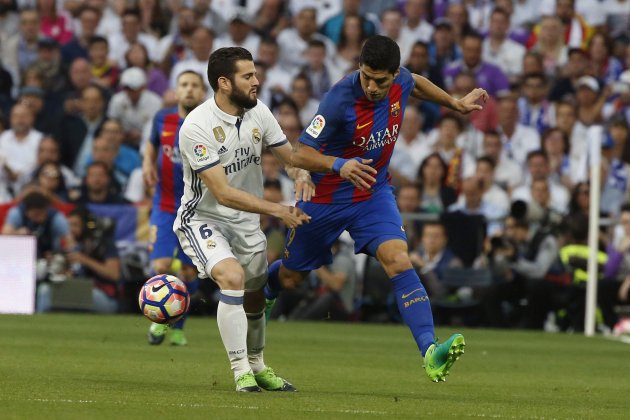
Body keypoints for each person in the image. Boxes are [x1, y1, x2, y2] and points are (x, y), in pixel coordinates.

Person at [264, 35, 487, 382]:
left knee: (399, 260)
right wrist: (340, 165)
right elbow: (299, 152)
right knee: (292, 278)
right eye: (366, 76)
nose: (371, 86)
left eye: (380, 80)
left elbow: (417, 84)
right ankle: (265, 289)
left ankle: (431, 351)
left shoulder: (401, 80)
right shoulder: (339, 98)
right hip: (326, 198)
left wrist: (454, 104)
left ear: (394, 74)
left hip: (372, 193)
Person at [174, 47, 313, 392]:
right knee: (232, 277)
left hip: (245, 223)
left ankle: (259, 365)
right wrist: (279, 209)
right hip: (204, 218)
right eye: (248, 76)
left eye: (255, 74)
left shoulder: (258, 112)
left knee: (254, 293)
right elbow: (222, 193)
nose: (257, 81)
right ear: (224, 83)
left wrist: (301, 174)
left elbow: (289, 157)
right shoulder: (196, 127)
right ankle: (240, 372)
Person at [141, 70, 207, 346]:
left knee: (190, 273)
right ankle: (159, 322)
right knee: (161, 265)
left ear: (203, 92)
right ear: (176, 90)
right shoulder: (162, 118)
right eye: (184, 85)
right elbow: (152, 143)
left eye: (194, 85)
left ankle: (179, 327)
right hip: (165, 204)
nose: (189, 89)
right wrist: (147, 163)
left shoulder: (209, 124)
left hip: (197, 209)